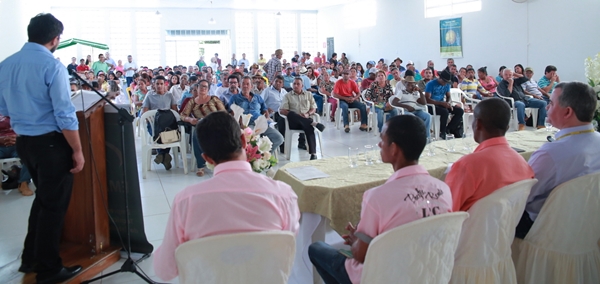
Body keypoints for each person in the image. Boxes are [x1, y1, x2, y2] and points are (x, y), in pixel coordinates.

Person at [153, 111, 300, 281]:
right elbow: (287, 249)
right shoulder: (282, 194)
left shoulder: (186, 201)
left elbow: (165, 270)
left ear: (206, 157)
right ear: (244, 141)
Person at [308, 115, 452, 284]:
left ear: (394, 149)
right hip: (429, 273)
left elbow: (361, 255)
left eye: (382, 139)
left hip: (385, 276)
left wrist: (357, 242)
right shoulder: (443, 189)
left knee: (316, 249)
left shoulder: (377, 196)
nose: (379, 144)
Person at [0, 13, 85, 283]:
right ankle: (48, 270)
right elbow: (64, 114)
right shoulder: (52, 66)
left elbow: (3, 108)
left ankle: (30, 258)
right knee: (53, 207)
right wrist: (77, 150)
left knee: (43, 201)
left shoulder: (6, 64)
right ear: (55, 38)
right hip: (50, 144)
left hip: (25, 143)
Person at [515, 82, 600, 239]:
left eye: (552, 103)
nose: (547, 107)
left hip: (549, 231)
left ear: (567, 112)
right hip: (589, 225)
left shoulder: (551, 154)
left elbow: (522, 197)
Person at [445, 98, 534, 211]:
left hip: (468, 227)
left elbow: (447, 213)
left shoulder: (467, 165)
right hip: (509, 227)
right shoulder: (523, 163)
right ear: (507, 127)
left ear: (477, 124)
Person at [180, 81, 227, 176]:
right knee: (197, 134)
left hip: (215, 124)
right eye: (201, 86)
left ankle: (219, 163)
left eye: (205, 87)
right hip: (201, 125)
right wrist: (190, 119)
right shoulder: (192, 102)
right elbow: (183, 115)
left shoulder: (214, 99)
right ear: (197, 88)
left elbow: (223, 113)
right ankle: (201, 166)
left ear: (208, 89)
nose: (203, 88)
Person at [229, 76, 284, 154]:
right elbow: (232, 112)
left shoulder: (257, 97)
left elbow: (264, 109)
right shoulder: (234, 98)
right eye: (243, 84)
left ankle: (263, 156)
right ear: (240, 85)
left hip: (261, 124)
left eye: (247, 84)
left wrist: (267, 118)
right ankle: (254, 158)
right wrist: (240, 122)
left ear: (251, 86)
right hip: (247, 125)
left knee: (279, 138)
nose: (245, 86)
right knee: (252, 140)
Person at [280, 78, 326, 160]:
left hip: (306, 119)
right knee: (291, 114)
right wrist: (297, 116)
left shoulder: (308, 94)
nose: (296, 86)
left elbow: (314, 108)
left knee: (309, 128)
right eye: (294, 84)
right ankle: (313, 123)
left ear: (302, 86)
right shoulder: (287, 96)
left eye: (298, 84)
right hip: (294, 122)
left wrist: (308, 114)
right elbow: (283, 110)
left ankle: (313, 154)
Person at [142, 76, 178, 170]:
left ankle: (162, 155)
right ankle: (165, 155)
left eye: (161, 84)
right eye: (157, 84)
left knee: (168, 132)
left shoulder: (169, 95)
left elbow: (175, 110)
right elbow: (145, 112)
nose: (159, 86)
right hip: (153, 124)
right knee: (158, 132)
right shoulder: (149, 95)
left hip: (167, 123)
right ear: (154, 84)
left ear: (164, 84)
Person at [425, 69, 464, 138]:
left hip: (442, 104)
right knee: (444, 112)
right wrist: (441, 103)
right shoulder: (431, 84)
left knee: (460, 111)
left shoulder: (447, 85)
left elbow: (448, 96)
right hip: (431, 106)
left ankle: (448, 128)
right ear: (440, 78)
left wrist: (448, 103)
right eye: (444, 81)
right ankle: (442, 131)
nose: (445, 83)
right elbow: (427, 99)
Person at [0, 115, 33, 195]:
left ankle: (23, 183)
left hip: (17, 143)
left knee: (31, 154)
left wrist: (18, 138)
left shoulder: (18, 110)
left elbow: (29, 128)